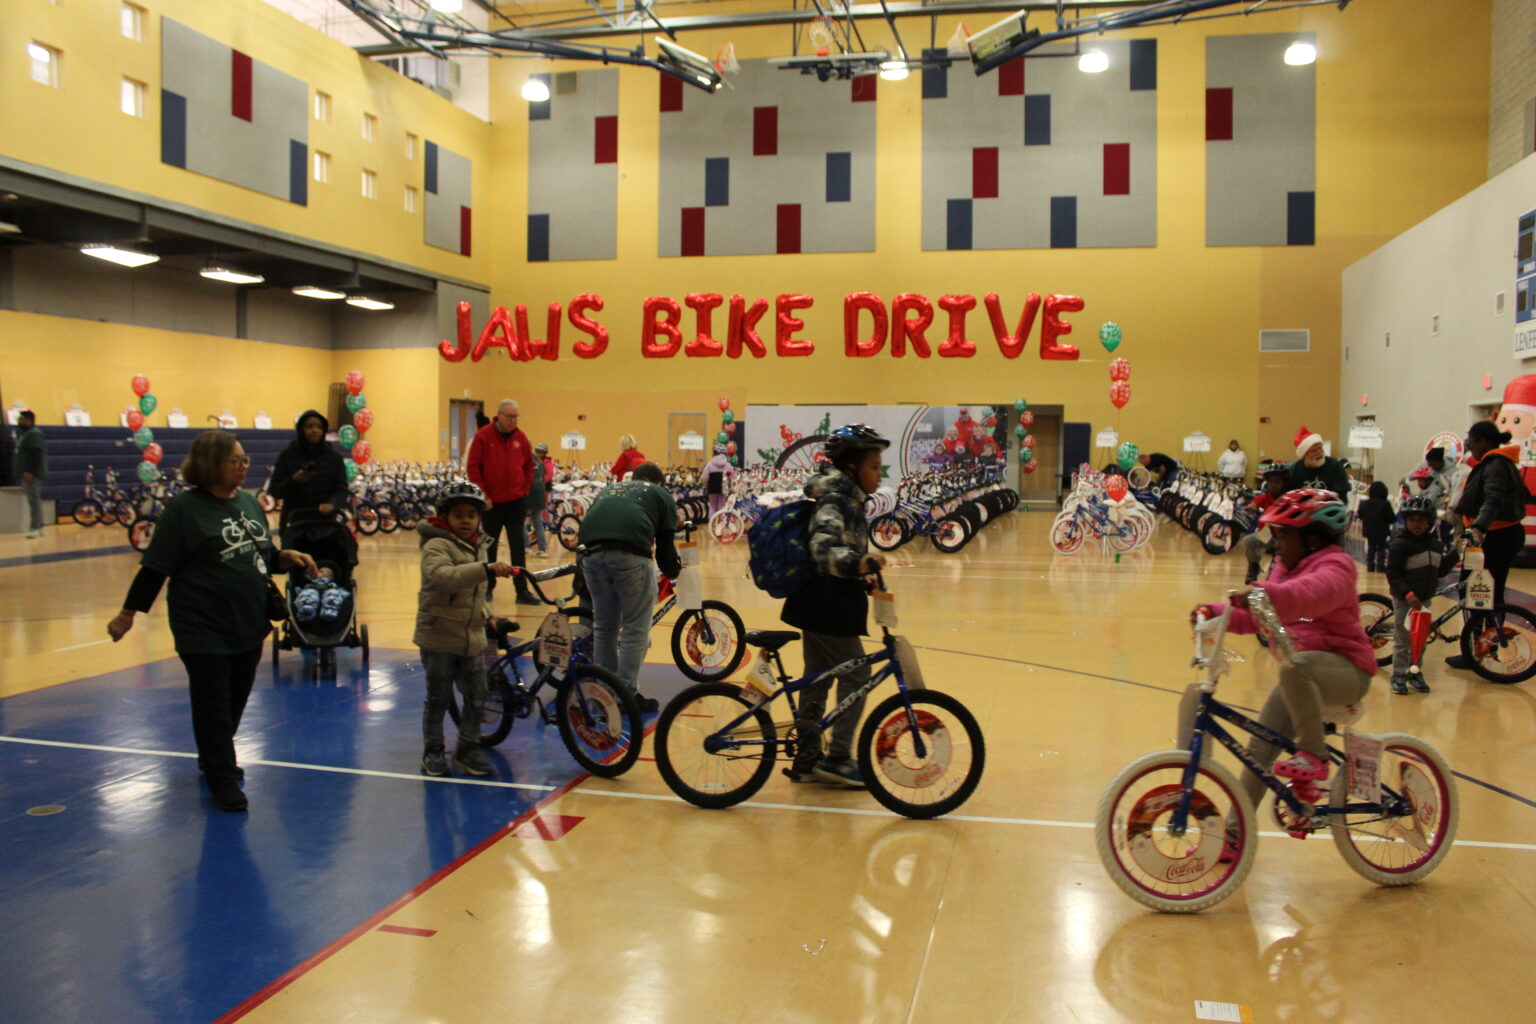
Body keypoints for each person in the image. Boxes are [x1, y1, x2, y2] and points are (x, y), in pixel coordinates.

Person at [105, 430, 318, 812]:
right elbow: (155, 568)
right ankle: (221, 776)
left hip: (248, 622)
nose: (242, 467)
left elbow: (263, 555)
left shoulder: (250, 504)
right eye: (233, 460)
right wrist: (128, 613)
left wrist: (287, 557)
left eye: (244, 460)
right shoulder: (183, 511)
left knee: (235, 699)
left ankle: (214, 755)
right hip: (202, 625)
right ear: (209, 465)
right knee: (213, 703)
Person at [1185, 489, 1376, 847]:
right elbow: (1264, 616)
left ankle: (1315, 757)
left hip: (1346, 673)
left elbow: (1307, 597)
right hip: (1302, 675)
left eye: (1285, 535)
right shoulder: (1286, 570)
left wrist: (1263, 594)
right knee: (1259, 750)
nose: (1278, 543)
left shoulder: (1337, 568)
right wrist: (1213, 612)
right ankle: (1233, 834)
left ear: (1314, 537)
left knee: (1294, 668)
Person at [781, 424, 891, 789]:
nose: (880, 473)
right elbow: (824, 547)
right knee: (856, 676)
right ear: (851, 467)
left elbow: (843, 546)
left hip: (824, 600)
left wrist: (861, 573)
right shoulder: (836, 498)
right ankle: (839, 758)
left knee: (818, 678)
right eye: (874, 466)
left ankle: (808, 754)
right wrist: (858, 564)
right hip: (826, 603)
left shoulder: (847, 497)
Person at [414, 480, 516, 778]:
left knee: (477, 696)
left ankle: (468, 748)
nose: (465, 521)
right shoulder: (436, 545)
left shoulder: (477, 546)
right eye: (458, 514)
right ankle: (433, 751)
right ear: (445, 516)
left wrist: (488, 616)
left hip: (471, 637)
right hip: (439, 637)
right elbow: (442, 577)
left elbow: (476, 592)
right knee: (438, 698)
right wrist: (483, 569)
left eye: (471, 515)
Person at [577, 462, 681, 712]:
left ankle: (603, 692)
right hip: (630, 555)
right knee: (636, 627)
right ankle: (625, 694)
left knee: (604, 625)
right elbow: (666, 553)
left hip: (589, 556)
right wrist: (677, 572)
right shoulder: (661, 494)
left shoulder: (611, 490)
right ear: (658, 483)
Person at [1447, 419, 1529, 670]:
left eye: (1471, 440)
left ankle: (1479, 651)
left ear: (1483, 441)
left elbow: (1492, 500)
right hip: (1500, 536)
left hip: (1495, 537)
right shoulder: (1501, 463)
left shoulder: (1495, 465)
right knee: (1485, 594)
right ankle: (1483, 650)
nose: (1469, 445)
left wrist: (1479, 527)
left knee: (1478, 593)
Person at [466, 399, 538, 605]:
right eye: (511, 416)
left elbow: (528, 466)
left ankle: (522, 590)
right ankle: (488, 587)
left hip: (516, 501)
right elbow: (473, 467)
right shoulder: (483, 436)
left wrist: (524, 490)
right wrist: (483, 495)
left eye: (517, 416)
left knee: (518, 545)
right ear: (500, 415)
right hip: (491, 502)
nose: (514, 420)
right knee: (490, 546)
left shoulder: (521, 438)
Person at [1385, 495, 1454, 694]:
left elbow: (1440, 571)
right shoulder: (1400, 544)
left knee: (1420, 639)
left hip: (1424, 600)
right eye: (1411, 520)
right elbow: (1393, 574)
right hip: (1406, 600)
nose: (1416, 524)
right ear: (1405, 521)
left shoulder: (1435, 545)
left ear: (1429, 522)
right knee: (1403, 640)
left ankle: (1414, 672)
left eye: (1421, 520)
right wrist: (1408, 594)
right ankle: (1398, 675)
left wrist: (1457, 552)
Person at [269, 410, 348, 537]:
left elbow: (341, 489)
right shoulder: (287, 455)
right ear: (301, 429)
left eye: (319, 427)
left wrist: (332, 504)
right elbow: (274, 491)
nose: (315, 430)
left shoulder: (334, 458)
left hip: (325, 524)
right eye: (309, 426)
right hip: (294, 522)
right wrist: (294, 480)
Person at [1240, 465, 1291, 584]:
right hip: (1267, 533)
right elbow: (1254, 503)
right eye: (1270, 482)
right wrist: (1252, 508)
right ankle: (1254, 566)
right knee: (1249, 541)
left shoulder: (1289, 499)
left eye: (1277, 482)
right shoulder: (1264, 497)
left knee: (1278, 564)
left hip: (1284, 536)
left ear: (1284, 483)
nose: (1273, 484)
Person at [1288, 426, 1351, 501]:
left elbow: (1341, 496)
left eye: (1320, 448)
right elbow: (1291, 496)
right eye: (1314, 450)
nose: (1319, 452)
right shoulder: (1294, 470)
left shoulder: (1335, 466)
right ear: (1304, 455)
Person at [12, 409, 47, 539]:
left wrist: (29, 471)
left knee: (34, 500)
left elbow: (36, 453)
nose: (19, 422)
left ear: (29, 420)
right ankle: (39, 525)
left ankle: (35, 527)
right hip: (27, 472)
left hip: (32, 473)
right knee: (34, 500)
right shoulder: (26, 434)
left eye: (21, 420)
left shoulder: (34, 434)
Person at [1356, 480, 1395, 573]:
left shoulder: (1364, 503)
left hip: (1369, 530)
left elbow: (1360, 515)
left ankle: (1370, 566)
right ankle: (1381, 566)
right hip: (1382, 530)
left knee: (1371, 548)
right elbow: (1391, 518)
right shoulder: (1385, 503)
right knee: (1381, 548)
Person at [526, 441, 554, 557]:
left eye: (540, 452)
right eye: (537, 451)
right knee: (538, 521)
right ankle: (542, 548)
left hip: (531, 494)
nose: (538, 453)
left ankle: (526, 546)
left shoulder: (530, 460)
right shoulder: (540, 463)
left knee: (521, 521)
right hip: (539, 493)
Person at [703, 444, 733, 521]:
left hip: (712, 488)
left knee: (712, 506)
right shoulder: (728, 465)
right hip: (724, 488)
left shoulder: (709, 465)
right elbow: (731, 478)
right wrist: (730, 487)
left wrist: (706, 486)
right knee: (722, 506)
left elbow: (705, 478)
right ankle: (721, 523)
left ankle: (712, 524)